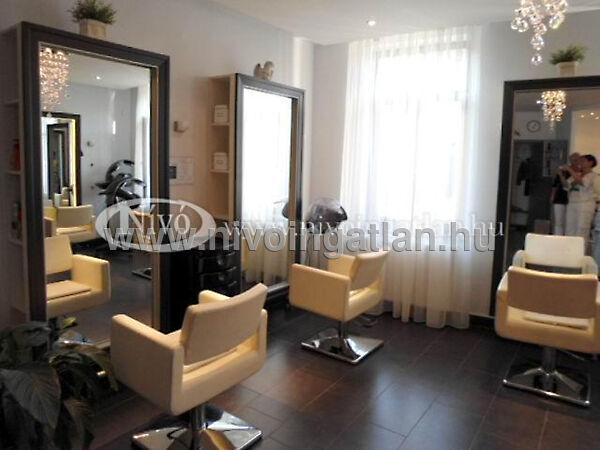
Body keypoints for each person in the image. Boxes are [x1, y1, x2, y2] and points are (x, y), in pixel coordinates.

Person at [564, 154, 598, 247]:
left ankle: (580, 251)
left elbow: (582, 182)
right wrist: (560, 174)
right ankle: (569, 249)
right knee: (569, 228)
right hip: (572, 202)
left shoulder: (593, 176)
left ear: (590, 163)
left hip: (585, 204)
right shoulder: (577, 174)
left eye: (583, 161)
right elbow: (566, 185)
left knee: (581, 228)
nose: (580, 163)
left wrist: (569, 169)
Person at [551, 152, 580, 235]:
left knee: (570, 222)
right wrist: (552, 196)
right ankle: (558, 237)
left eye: (576, 160)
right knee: (559, 221)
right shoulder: (564, 171)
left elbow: (568, 185)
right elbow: (555, 185)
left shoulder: (580, 172)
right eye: (572, 160)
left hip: (574, 199)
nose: (574, 162)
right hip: (560, 197)